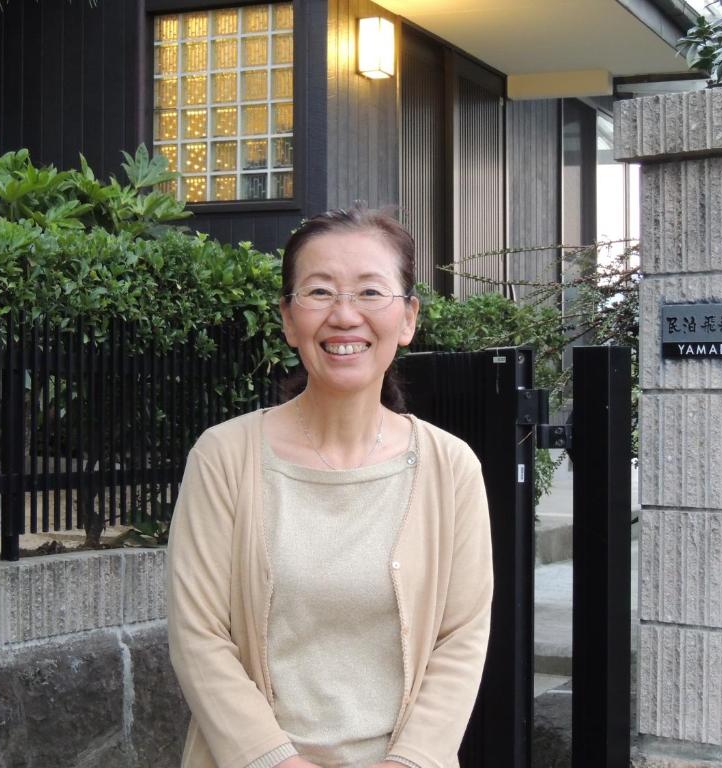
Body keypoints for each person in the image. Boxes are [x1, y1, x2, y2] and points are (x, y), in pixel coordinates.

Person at [167, 207, 493, 768]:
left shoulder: (451, 467)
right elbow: (198, 636)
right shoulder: (224, 456)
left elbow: (461, 638)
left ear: (408, 317)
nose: (344, 316)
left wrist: (410, 761)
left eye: (371, 292)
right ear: (289, 319)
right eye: (319, 292)